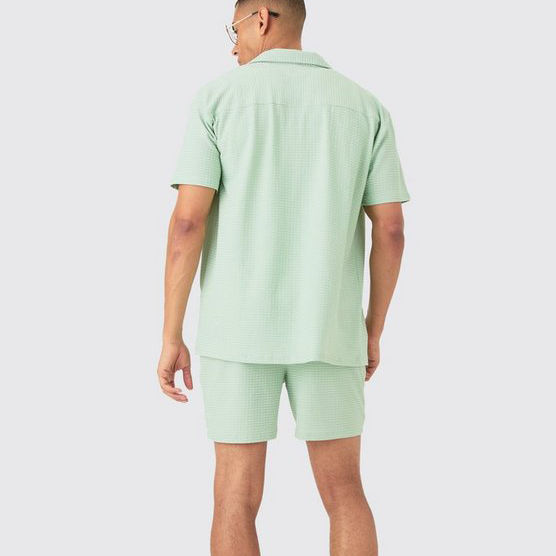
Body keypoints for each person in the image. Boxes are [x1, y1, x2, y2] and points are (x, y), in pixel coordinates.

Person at [157, 1, 410, 554]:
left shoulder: (217, 100)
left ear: (263, 19)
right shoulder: (364, 106)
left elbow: (187, 223)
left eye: (234, 29)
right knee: (344, 491)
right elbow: (391, 229)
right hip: (330, 330)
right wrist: (370, 329)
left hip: (237, 333)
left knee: (234, 497)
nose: (233, 45)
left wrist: (172, 334)